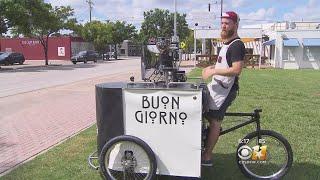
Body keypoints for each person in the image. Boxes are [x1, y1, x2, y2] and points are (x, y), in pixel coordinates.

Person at [201, 11, 245, 167]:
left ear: (235, 25)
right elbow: (224, 64)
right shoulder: (226, 44)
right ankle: (206, 139)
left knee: (214, 121)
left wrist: (213, 71)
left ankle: (207, 156)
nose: (224, 26)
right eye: (222, 23)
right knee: (201, 111)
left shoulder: (237, 45)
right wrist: (212, 67)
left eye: (227, 23)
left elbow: (236, 69)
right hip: (217, 87)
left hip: (226, 90)